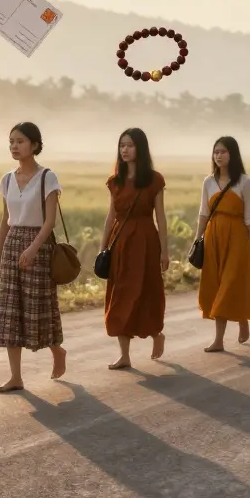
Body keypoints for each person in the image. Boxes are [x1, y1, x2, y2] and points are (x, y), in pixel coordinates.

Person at [0, 122, 66, 393]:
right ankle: (15, 376)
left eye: (20, 141)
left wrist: (33, 249)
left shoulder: (48, 178)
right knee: (11, 310)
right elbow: (5, 221)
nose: (14, 146)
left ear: (34, 145)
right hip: (12, 245)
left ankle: (57, 350)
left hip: (39, 246)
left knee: (39, 307)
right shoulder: (7, 179)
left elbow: (49, 222)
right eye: (11, 141)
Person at [101, 128, 168, 369]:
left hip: (146, 241)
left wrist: (165, 251)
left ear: (140, 148)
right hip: (120, 242)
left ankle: (155, 334)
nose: (125, 150)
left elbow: (161, 217)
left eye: (129, 145)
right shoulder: (115, 181)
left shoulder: (154, 180)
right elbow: (110, 217)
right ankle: (124, 355)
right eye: (122, 146)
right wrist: (103, 248)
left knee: (146, 291)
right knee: (120, 295)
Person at [195, 136, 250, 352]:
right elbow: (203, 214)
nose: (218, 155)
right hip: (213, 236)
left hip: (237, 238)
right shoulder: (208, 182)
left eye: (223, 151)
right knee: (216, 285)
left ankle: (242, 319)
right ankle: (219, 340)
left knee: (232, 282)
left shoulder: (244, 182)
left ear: (232, 154)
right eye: (216, 152)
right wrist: (198, 240)